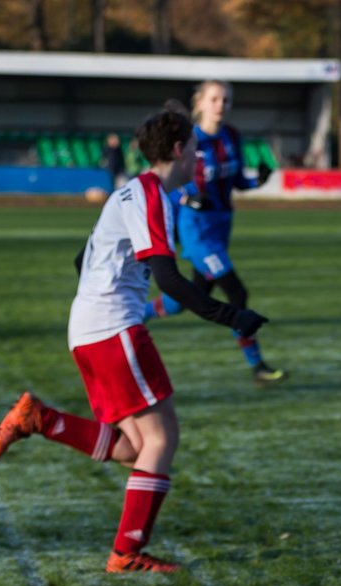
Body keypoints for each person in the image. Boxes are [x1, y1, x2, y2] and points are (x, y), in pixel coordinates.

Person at [0, 105, 267, 574]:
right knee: (162, 438)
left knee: (136, 447)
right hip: (113, 328)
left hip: (88, 329)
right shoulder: (153, 195)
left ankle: (40, 419)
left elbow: (84, 258)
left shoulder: (127, 192)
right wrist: (231, 316)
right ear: (178, 150)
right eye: (196, 149)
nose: (200, 158)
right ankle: (126, 552)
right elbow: (169, 279)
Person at [142, 80, 285, 387]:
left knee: (188, 298)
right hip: (196, 230)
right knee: (237, 292)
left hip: (220, 228)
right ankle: (257, 365)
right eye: (215, 99)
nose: (221, 105)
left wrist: (257, 181)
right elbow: (164, 181)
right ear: (200, 103)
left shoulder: (232, 136)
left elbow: (236, 182)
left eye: (227, 100)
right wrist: (185, 197)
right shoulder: (187, 139)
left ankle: (134, 315)